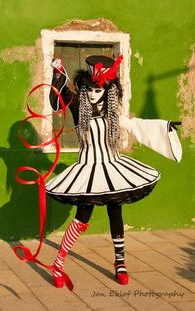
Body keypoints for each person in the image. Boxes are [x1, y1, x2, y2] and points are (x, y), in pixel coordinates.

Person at [46, 54, 182, 288]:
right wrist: (57, 75)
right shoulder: (79, 106)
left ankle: (120, 263)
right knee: (82, 216)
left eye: (98, 90)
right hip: (88, 169)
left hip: (113, 166)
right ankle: (58, 264)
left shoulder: (112, 111)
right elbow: (57, 101)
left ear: (108, 90)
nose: (93, 94)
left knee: (115, 211)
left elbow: (135, 125)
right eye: (89, 89)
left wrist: (165, 127)